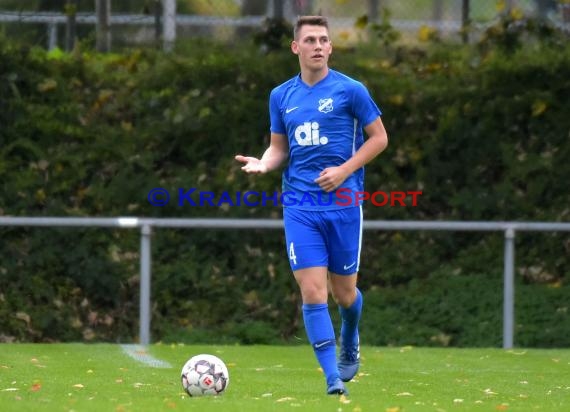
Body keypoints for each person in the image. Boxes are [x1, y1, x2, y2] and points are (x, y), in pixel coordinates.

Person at [235, 15, 388, 395]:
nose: (318, 46)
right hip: (300, 206)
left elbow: (379, 138)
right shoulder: (281, 95)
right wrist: (264, 162)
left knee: (344, 295)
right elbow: (279, 148)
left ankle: (350, 334)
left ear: (331, 47)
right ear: (296, 48)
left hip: (344, 205)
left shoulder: (351, 90)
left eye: (324, 40)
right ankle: (332, 379)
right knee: (313, 293)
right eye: (310, 40)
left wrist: (344, 170)